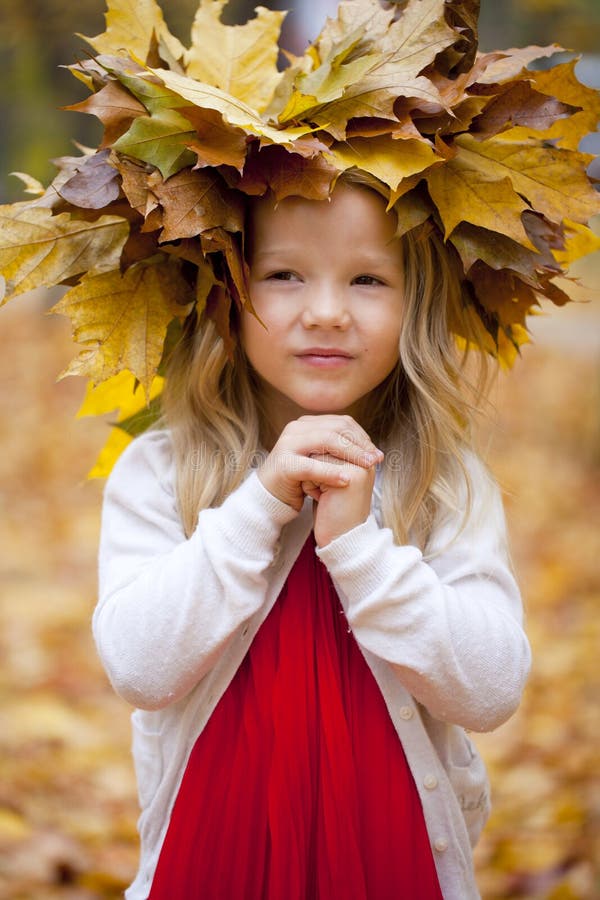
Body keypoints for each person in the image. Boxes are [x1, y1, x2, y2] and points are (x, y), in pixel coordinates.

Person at [94, 174, 531, 899]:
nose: (326, 312)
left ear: (415, 304)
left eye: (367, 278)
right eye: (284, 275)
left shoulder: (445, 481)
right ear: (223, 294)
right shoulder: (163, 472)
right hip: (211, 866)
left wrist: (361, 552)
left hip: (392, 865)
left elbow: (490, 691)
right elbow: (138, 667)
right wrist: (258, 506)